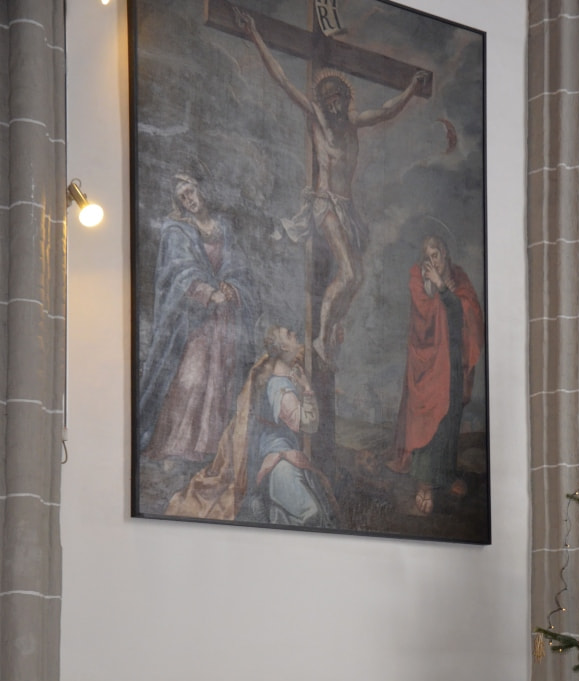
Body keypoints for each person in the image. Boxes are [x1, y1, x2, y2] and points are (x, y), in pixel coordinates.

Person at [234, 7, 429, 363]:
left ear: (346, 98)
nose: (335, 101)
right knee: (350, 271)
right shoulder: (316, 118)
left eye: (339, 95)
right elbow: (281, 79)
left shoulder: (353, 123)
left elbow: (387, 110)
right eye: (330, 96)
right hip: (324, 204)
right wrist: (256, 36)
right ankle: (322, 339)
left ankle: (333, 324)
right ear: (323, 100)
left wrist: (412, 88)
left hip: (347, 207)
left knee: (357, 277)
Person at [138, 170, 256, 463]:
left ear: (203, 189)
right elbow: (175, 273)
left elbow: (240, 269)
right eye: (182, 197)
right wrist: (205, 292)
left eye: (191, 192)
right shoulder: (175, 229)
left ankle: (208, 449)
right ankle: (174, 447)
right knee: (190, 378)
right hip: (193, 320)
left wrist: (231, 288)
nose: (189, 200)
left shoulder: (224, 228)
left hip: (224, 320)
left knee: (219, 380)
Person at [387, 235, 484, 516]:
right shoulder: (418, 278)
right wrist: (443, 291)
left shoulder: (459, 277)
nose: (432, 261)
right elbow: (425, 313)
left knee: (450, 415)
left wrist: (448, 294)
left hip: (452, 360)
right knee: (428, 416)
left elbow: (468, 312)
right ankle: (425, 484)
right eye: (427, 256)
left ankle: (445, 475)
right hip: (427, 362)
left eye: (437, 255)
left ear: (446, 254)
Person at [250, 326, 337, 527]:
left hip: (286, 457)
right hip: (281, 462)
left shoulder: (286, 376)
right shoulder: (279, 387)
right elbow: (308, 424)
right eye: (289, 334)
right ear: (282, 346)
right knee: (313, 515)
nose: (295, 334)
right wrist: (307, 389)